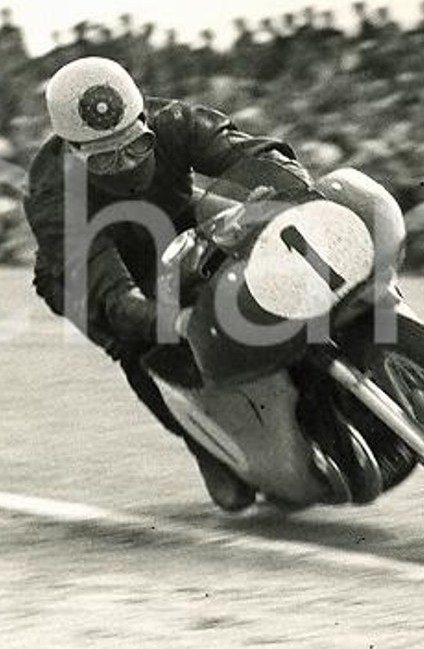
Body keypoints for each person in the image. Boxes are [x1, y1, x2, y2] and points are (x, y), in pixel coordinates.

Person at [24, 56, 313, 511]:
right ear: (73, 152)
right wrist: (182, 322)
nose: (126, 164)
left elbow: (254, 154)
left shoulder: (176, 121)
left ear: (144, 121)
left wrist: (289, 190)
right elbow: (116, 300)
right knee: (140, 347)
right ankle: (207, 449)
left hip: (175, 217)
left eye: (137, 146)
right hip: (91, 268)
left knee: (266, 243)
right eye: (105, 158)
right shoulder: (51, 196)